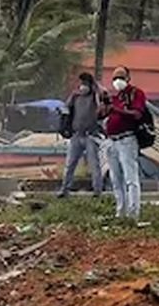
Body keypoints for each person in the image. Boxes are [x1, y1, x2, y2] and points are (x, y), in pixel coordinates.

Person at [102, 66, 146, 219]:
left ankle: (133, 213)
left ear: (128, 78)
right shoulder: (116, 97)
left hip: (127, 140)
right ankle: (120, 212)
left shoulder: (136, 94)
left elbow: (137, 114)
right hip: (111, 141)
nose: (117, 81)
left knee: (130, 179)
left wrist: (116, 109)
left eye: (120, 77)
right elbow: (102, 115)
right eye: (115, 78)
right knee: (116, 179)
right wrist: (104, 105)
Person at [58, 73, 104, 198]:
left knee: (94, 165)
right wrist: (64, 127)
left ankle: (97, 190)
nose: (83, 86)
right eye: (82, 83)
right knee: (70, 164)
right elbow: (66, 111)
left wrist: (95, 85)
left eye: (86, 83)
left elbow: (103, 96)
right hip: (76, 135)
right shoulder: (75, 97)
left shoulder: (94, 96)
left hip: (90, 135)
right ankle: (64, 189)